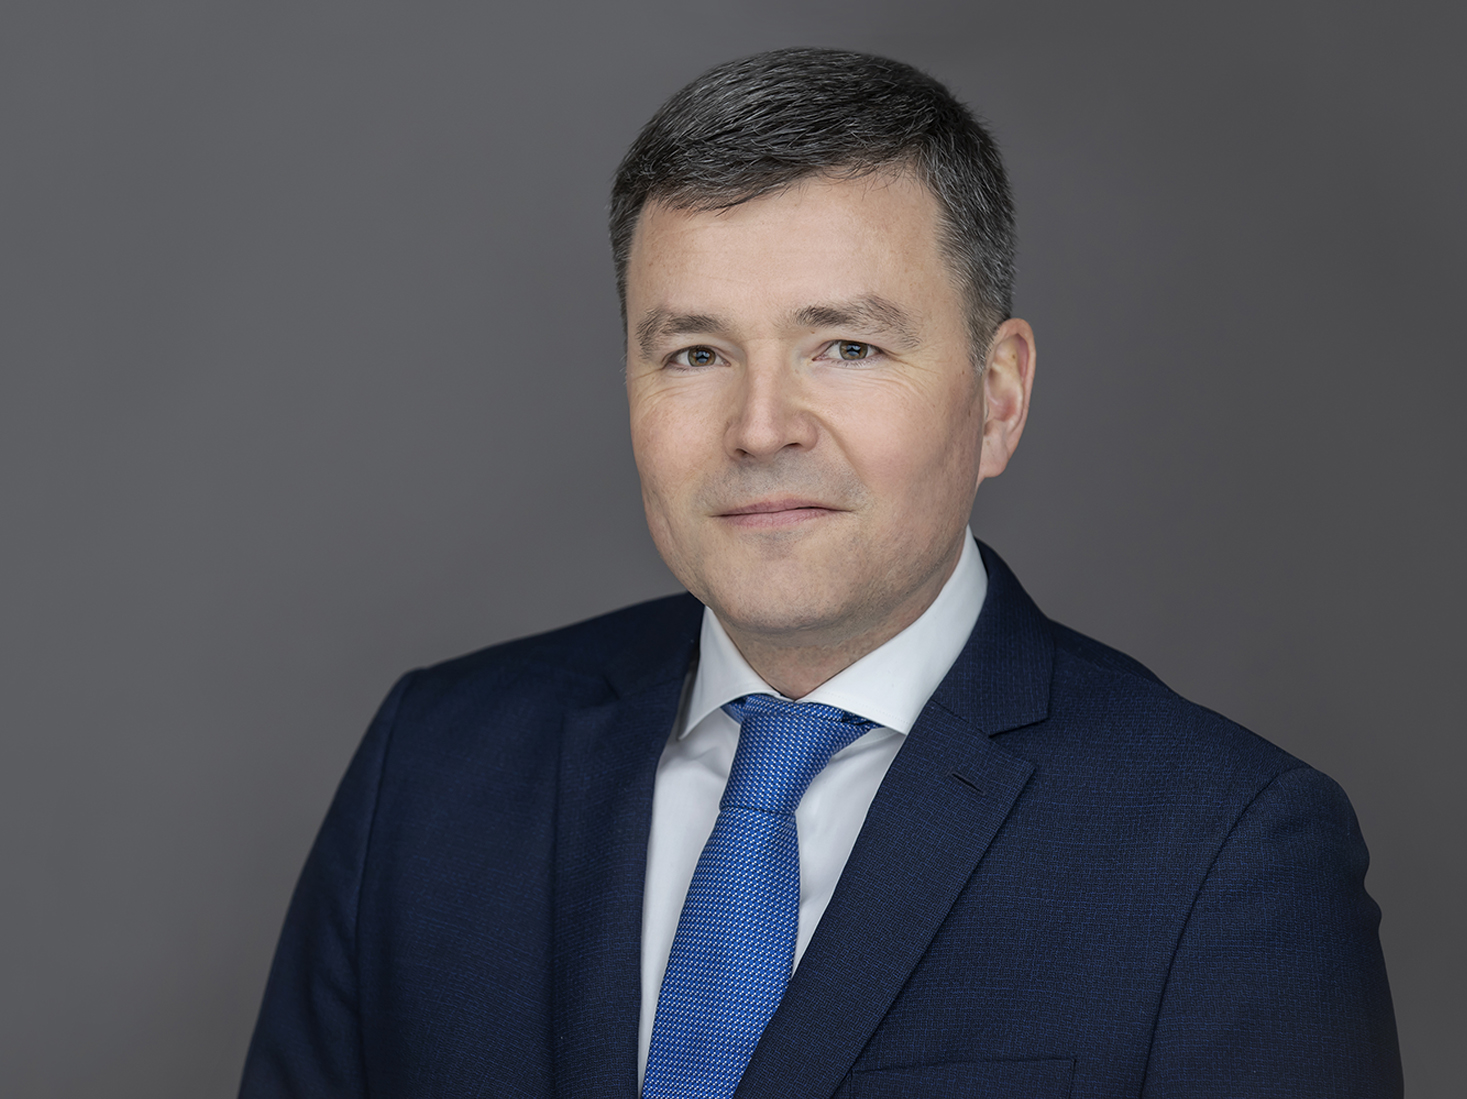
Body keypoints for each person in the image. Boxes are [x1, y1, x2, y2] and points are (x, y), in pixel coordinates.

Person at [240, 47, 1401, 1099]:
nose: (759, 427)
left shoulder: (1222, 853)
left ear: (997, 397)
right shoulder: (433, 766)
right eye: (695, 352)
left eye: (845, 346)